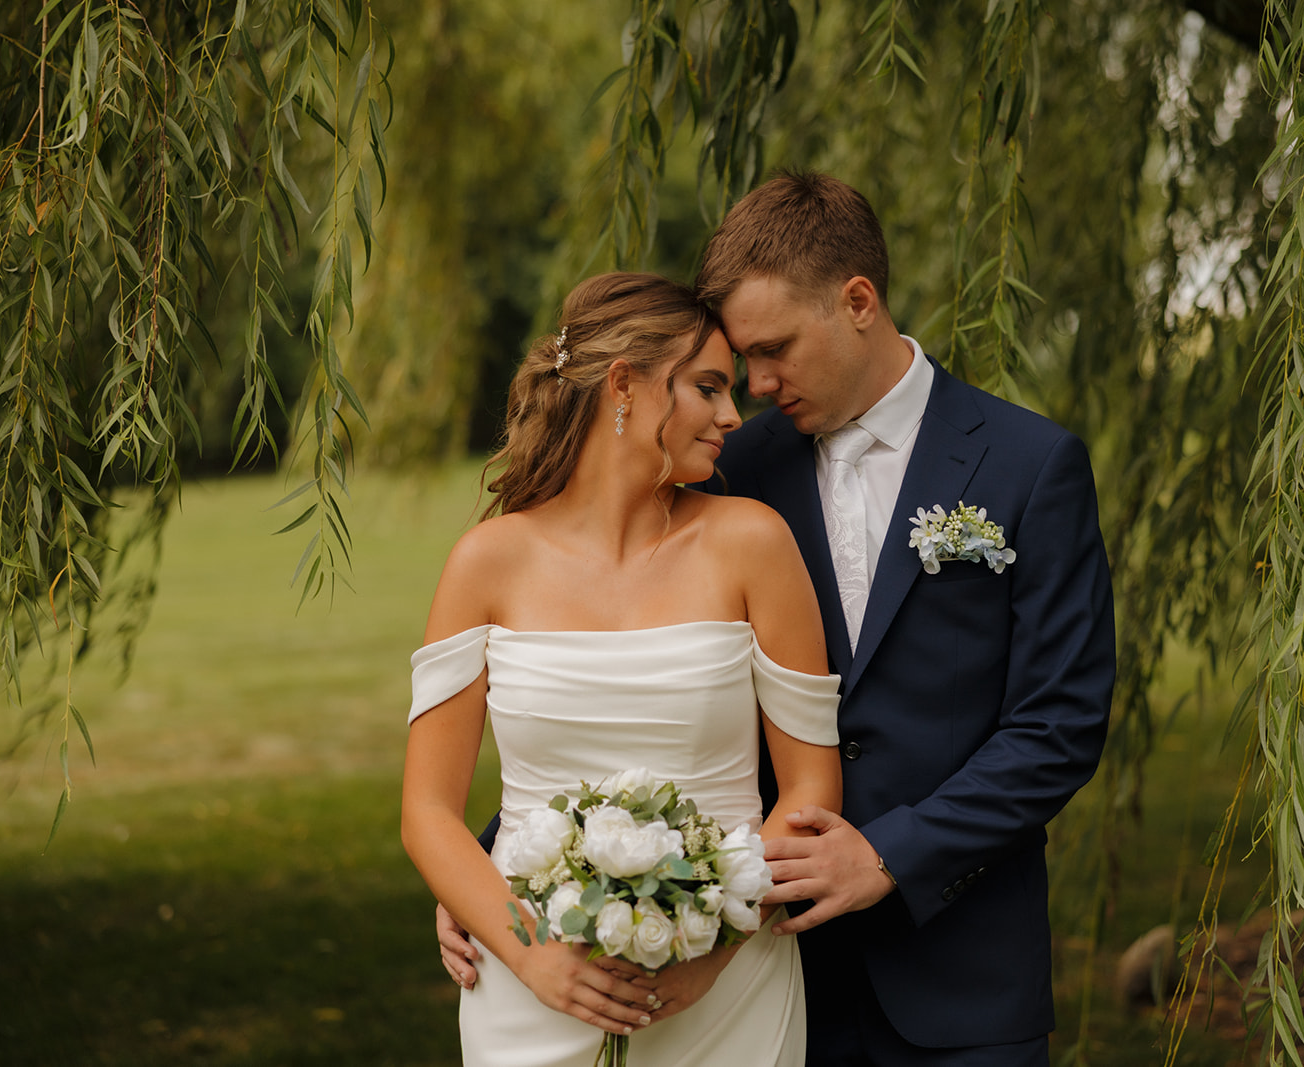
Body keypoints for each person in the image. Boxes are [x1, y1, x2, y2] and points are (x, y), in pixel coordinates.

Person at [441, 173, 1114, 1065]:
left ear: (858, 301)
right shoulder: (731, 471)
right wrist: (494, 870)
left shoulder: (1030, 467)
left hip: (961, 973)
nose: (755, 385)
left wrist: (886, 855)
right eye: (738, 364)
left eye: (775, 350)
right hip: (754, 960)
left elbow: (1057, 727)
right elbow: (636, 662)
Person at [402, 272, 843, 1067]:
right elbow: (428, 811)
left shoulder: (754, 543)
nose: (733, 415)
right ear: (624, 385)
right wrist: (534, 955)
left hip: (729, 985)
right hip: (532, 978)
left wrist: (715, 948)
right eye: (708, 387)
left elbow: (811, 789)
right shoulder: (486, 563)